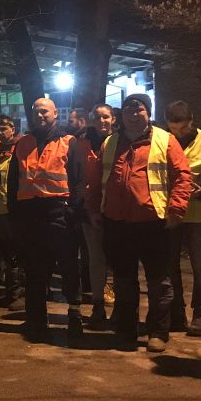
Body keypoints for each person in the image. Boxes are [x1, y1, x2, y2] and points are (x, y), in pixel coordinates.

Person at [86, 93, 192, 352]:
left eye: (139, 110)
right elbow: (97, 178)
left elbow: (183, 176)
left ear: (149, 113)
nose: (133, 115)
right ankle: (126, 330)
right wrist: (94, 209)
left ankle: (158, 332)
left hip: (154, 224)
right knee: (123, 281)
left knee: (158, 282)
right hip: (117, 223)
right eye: (128, 110)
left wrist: (176, 209)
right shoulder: (110, 143)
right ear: (121, 116)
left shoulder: (165, 140)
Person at [6, 98, 85, 342]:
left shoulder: (69, 142)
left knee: (68, 266)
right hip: (30, 215)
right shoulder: (23, 143)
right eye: (36, 112)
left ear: (55, 114)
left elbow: (78, 180)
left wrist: (73, 211)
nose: (39, 115)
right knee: (34, 269)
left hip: (59, 212)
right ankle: (36, 319)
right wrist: (14, 216)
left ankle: (74, 314)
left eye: (44, 111)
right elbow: (13, 182)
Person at [163, 100, 201, 337]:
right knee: (169, 266)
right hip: (171, 213)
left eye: (183, 128)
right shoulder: (162, 140)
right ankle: (176, 315)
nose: (178, 134)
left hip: (199, 214)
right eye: (173, 129)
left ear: (192, 121)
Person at [74, 104, 116, 328]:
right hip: (90, 210)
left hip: (117, 209)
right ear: (91, 120)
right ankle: (98, 307)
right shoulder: (80, 144)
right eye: (97, 117)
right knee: (96, 259)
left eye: (106, 117)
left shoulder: (120, 141)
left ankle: (120, 309)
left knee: (119, 261)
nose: (102, 121)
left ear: (113, 119)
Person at [0, 115, 21, 304]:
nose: (1, 133)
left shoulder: (19, 148)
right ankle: (10, 291)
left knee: (14, 253)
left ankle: (15, 293)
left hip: (14, 209)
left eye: (4, 129)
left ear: (13, 129)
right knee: (4, 251)